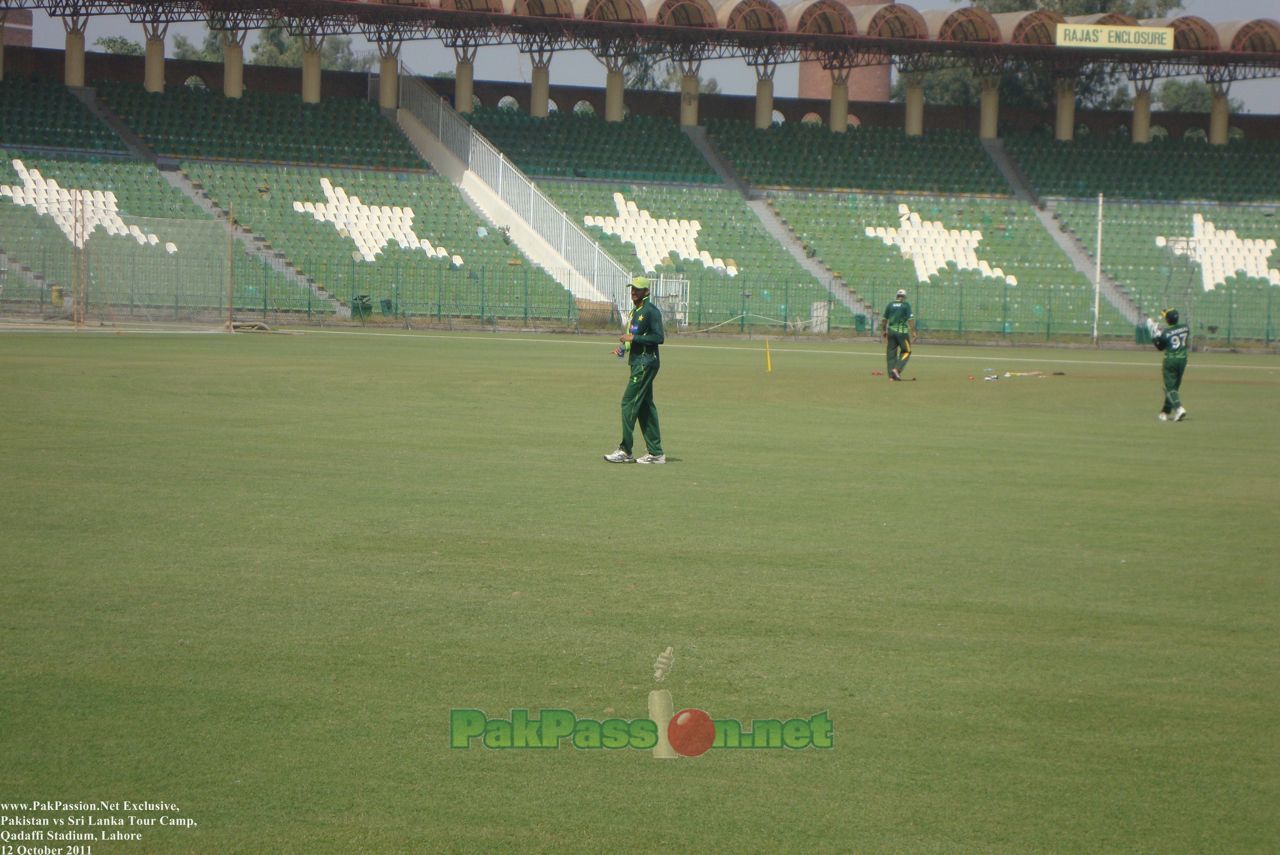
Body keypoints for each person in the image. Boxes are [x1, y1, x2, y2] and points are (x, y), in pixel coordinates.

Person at [604, 277, 666, 464]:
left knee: (628, 403)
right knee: (645, 407)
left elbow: (658, 337)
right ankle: (656, 453)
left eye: (638, 290)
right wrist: (623, 349)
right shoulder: (636, 311)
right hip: (638, 361)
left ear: (646, 292)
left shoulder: (651, 311)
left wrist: (634, 337)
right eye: (632, 289)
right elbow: (634, 339)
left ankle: (625, 450)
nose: (634, 292)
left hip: (646, 362)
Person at [1151, 307, 1190, 422]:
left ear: (1168, 320)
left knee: (1169, 388)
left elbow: (1160, 347)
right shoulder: (1185, 328)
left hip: (1170, 360)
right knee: (1174, 388)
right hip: (1183, 360)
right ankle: (1165, 412)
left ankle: (1179, 408)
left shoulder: (1166, 333)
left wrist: (1155, 336)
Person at [880, 288, 917, 381]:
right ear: (904, 297)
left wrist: (884, 330)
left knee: (891, 353)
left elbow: (884, 320)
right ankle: (897, 369)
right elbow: (910, 319)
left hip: (891, 332)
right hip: (902, 333)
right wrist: (913, 332)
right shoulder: (906, 305)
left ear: (897, 296)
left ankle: (891, 377)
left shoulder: (890, 305)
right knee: (906, 351)